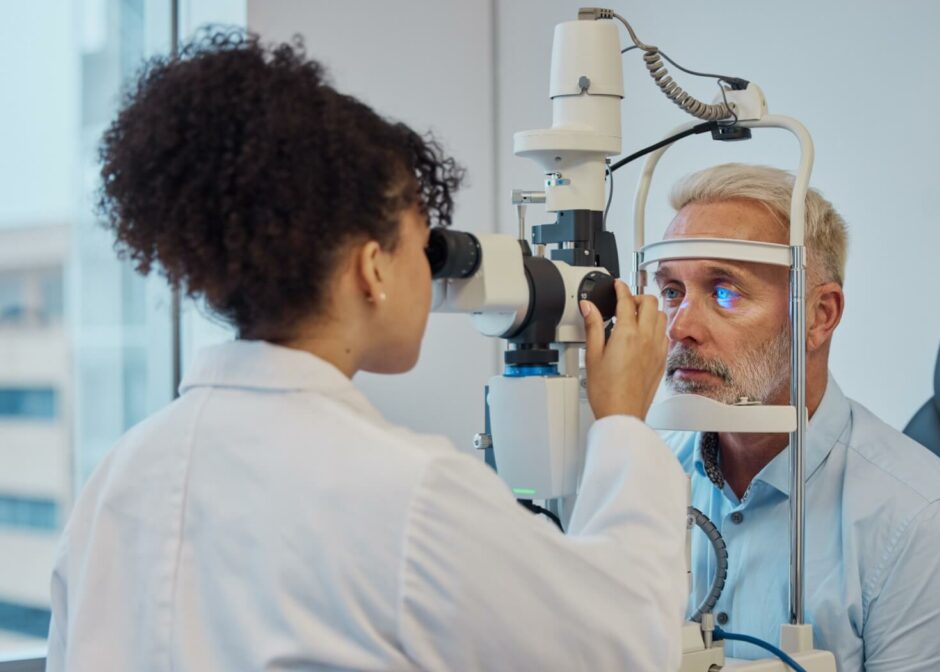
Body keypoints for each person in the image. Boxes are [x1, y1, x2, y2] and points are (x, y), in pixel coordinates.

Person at [45, 32, 688, 671]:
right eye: (421, 243)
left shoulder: (118, 479)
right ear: (372, 266)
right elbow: (625, 646)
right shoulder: (410, 495)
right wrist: (624, 426)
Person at [656, 163, 940, 671]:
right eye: (672, 291)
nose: (680, 326)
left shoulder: (923, 527)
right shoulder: (649, 480)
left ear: (819, 315)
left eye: (725, 292)